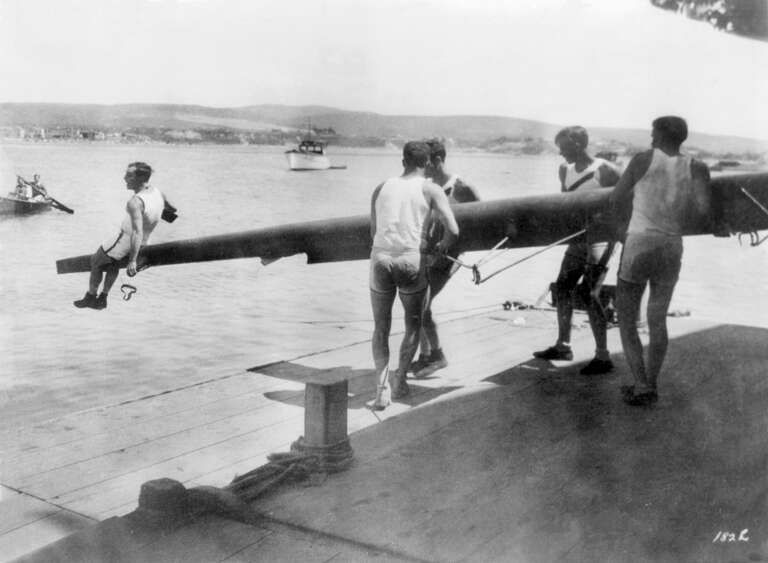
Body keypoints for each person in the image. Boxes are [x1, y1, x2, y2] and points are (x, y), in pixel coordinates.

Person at [610, 116, 711, 406]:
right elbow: (703, 211)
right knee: (657, 319)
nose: (651, 138)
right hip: (671, 246)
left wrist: (621, 231)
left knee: (627, 320)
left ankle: (641, 384)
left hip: (639, 243)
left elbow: (615, 198)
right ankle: (652, 384)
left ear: (663, 136)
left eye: (654, 133)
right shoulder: (698, 167)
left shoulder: (642, 159)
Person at [369, 141, 459, 409]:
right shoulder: (431, 189)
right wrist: (440, 248)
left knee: (381, 327)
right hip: (411, 259)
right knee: (412, 325)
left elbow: (373, 231)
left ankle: (381, 389)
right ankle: (399, 382)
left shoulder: (380, 187)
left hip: (380, 258)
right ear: (427, 163)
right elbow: (453, 230)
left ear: (403, 162)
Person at [533, 126, 621, 374]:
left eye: (564, 147)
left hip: (601, 239)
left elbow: (625, 205)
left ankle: (603, 356)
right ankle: (563, 346)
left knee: (589, 293)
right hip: (578, 239)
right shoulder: (565, 170)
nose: (560, 153)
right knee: (563, 287)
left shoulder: (606, 170)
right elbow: (566, 205)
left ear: (578, 144)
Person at [410, 138, 480, 378]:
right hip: (431, 252)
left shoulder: (460, 187)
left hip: (451, 254)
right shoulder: (429, 187)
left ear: (438, 160)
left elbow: (484, 218)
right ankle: (425, 356)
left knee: (421, 302)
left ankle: (437, 355)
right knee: (417, 302)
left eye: (426, 162)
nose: (422, 167)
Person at [73, 162, 165, 310]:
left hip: (126, 241)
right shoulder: (156, 192)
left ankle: (91, 296)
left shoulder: (135, 202)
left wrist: (133, 261)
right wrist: (153, 217)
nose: (124, 178)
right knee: (113, 264)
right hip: (144, 241)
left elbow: (137, 232)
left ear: (141, 178)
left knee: (96, 260)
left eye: (129, 176)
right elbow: (170, 210)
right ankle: (103, 299)